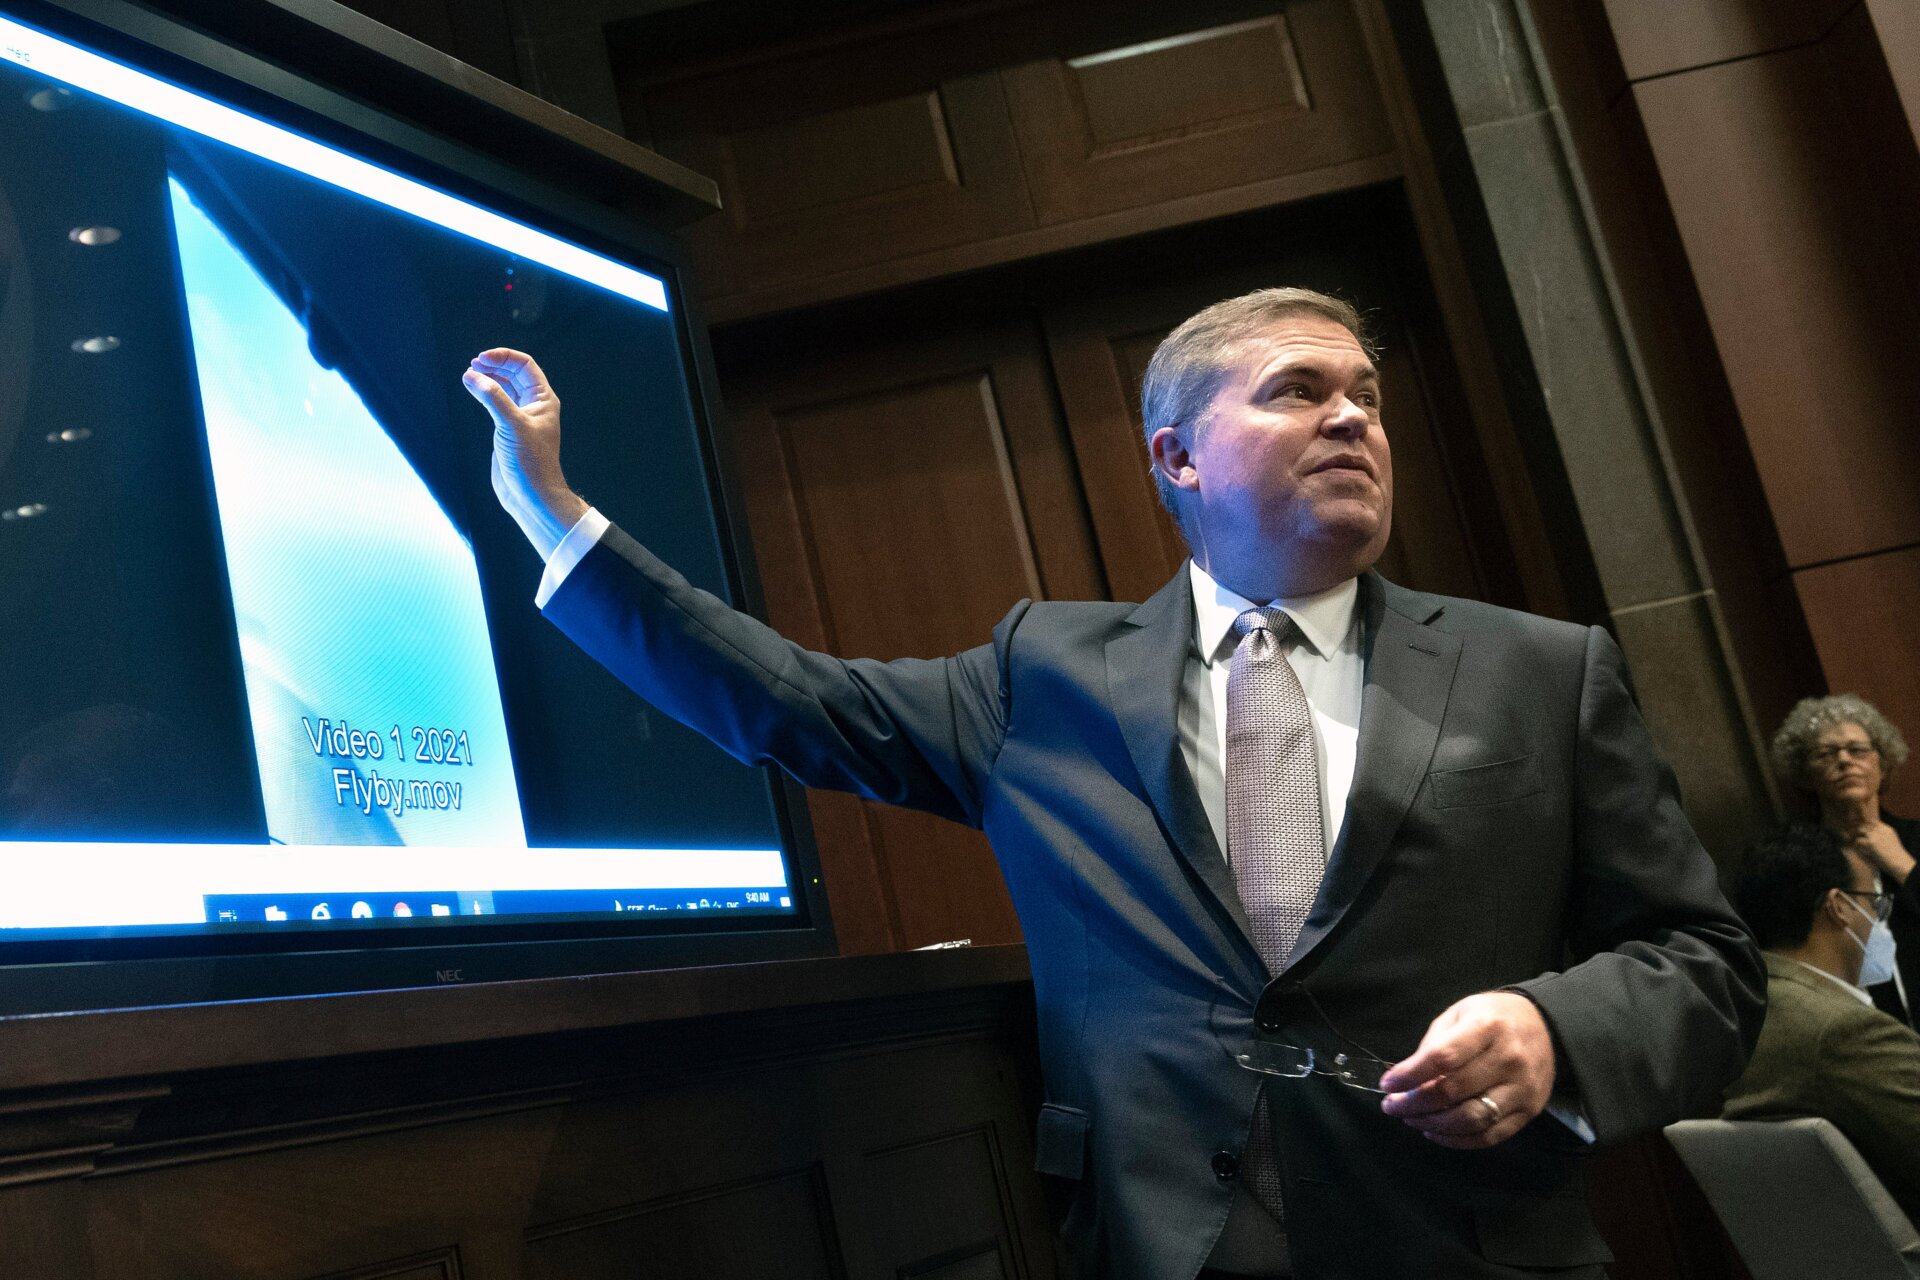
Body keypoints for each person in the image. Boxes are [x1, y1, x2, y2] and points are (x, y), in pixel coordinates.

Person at [462, 287, 1764, 1279]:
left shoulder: (1543, 673)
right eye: (1300, 391)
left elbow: (1702, 959)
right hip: (1164, 1249)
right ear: (1178, 459)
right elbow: (788, 699)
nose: (1357, 416)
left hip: (1470, 1247)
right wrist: (552, 513)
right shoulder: (1047, 677)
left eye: (1367, 392)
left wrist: (1558, 1033)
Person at [1723, 823, 1920, 1226]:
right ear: (1840, 906)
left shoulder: (1744, 1015)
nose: (1877, 921)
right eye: (1876, 905)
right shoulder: (1846, 1032)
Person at [1771, 694, 1919, 1026]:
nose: (1844, 760)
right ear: (1806, 774)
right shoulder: (1797, 861)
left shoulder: (1915, 840)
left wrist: (1903, 866)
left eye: (1858, 750)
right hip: (1856, 1035)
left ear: (1881, 764)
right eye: (1825, 754)